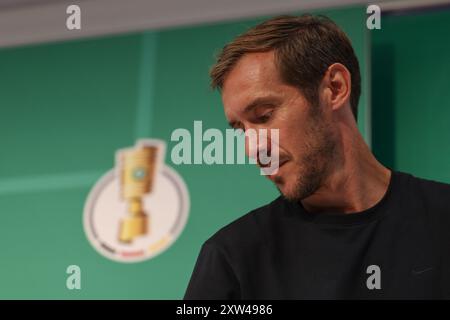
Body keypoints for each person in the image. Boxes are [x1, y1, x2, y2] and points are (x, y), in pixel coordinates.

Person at [184, 14, 450, 299]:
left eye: (264, 116)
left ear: (335, 88)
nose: (251, 148)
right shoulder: (232, 258)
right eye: (240, 129)